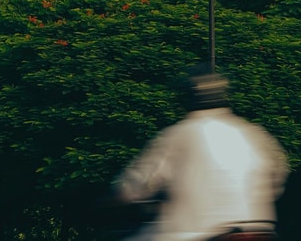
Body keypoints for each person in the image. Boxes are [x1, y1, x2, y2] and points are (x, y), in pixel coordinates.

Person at [113, 71, 290, 241]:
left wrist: (114, 197)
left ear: (188, 97)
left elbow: (140, 182)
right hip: (260, 227)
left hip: (199, 231)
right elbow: (278, 174)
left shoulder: (180, 133)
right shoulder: (252, 133)